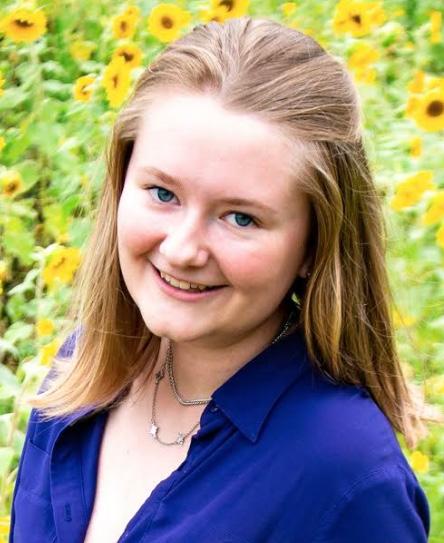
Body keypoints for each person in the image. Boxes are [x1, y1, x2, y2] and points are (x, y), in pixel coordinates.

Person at [10, 16, 431, 543]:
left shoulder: (345, 476)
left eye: (240, 218)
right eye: (163, 193)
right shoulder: (82, 373)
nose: (181, 250)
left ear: (315, 244)